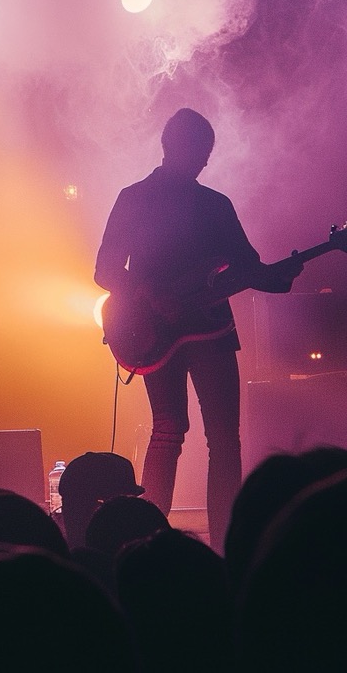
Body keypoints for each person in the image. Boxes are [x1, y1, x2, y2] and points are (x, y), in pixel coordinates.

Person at [95, 108, 302, 546]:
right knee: (185, 431)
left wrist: (286, 273)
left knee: (209, 434)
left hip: (208, 328)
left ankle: (216, 539)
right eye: (202, 152)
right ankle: (151, 537)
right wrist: (151, 295)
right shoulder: (137, 198)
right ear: (180, 148)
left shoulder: (213, 204)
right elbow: (104, 270)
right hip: (157, 329)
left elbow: (250, 268)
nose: (206, 161)